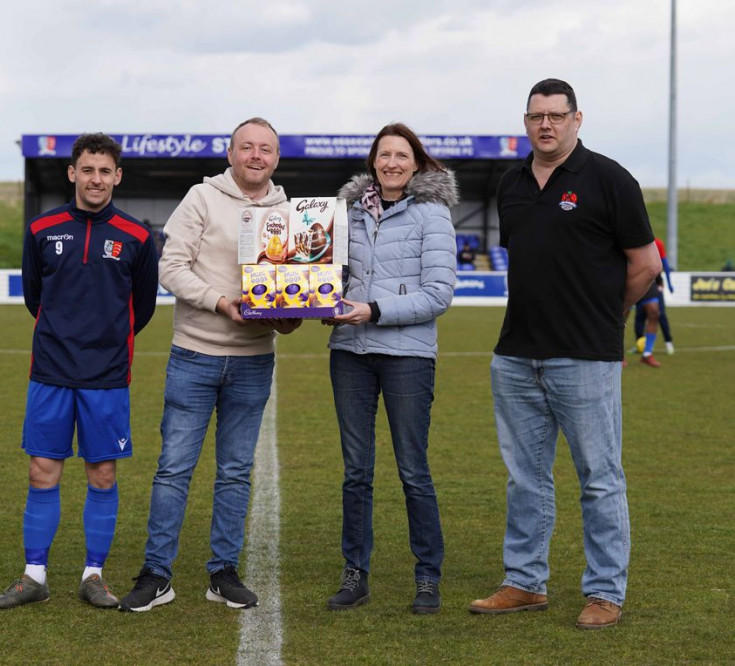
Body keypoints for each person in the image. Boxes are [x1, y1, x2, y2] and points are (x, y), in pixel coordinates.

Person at [468, 79, 661, 629]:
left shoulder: (610, 179)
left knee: (599, 477)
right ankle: (524, 582)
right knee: (525, 477)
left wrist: (607, 313)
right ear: (525, 122)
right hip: (515, 355)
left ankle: (605, 592)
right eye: (536, 116)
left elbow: (645, 264)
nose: (545, 125)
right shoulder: (511, 183)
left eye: (556, 115)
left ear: (578, 119)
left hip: (585, 356)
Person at [119, 118, 300, 612]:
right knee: (173, 469)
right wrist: (223, 303)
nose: (256, 156)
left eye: (266, 149)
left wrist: (292, 316)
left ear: (276, 159)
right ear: (231, 153)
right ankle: (157, 573)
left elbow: (294, 285)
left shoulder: (291, 213)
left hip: (254, 360)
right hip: (194, 355)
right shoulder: (201, 198)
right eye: (247, 147)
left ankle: (223, 572)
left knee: (236, 473)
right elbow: (170, 268)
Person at [0, 134, 159, 610]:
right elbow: (34, 299)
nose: (96, 179)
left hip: (107, 376)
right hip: (51, 371)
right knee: (42, 470)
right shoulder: (42, 228)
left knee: (102, 473)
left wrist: (105, 341)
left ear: (117, 176)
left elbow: (140, 308)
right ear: (72, 173)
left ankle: (93, 575)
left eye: (105, 171)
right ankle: (34, 575)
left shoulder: (137, 237)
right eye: (88, 170)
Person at [323, 123, 457, 613]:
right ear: (372, 162)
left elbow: (439, 293)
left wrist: (373, 310)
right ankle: (355, 573)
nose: (392, 163)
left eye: (402, 155)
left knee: (413, 471)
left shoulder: (433, 214)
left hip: (408, 356)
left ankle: (427, 577)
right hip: (350, 353)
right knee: (356, 472)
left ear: (416, 162)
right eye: (384, 155)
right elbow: (329, 274)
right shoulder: (349, 214)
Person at [631, 237, 675, 358]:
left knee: (658, 314)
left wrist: (668, 282)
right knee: (639, 317)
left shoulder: (657, 243)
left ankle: (668, 342)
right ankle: (640, 344)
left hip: (653, 285)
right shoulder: (630, 241)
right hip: (637, 284)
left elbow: (663, 264)